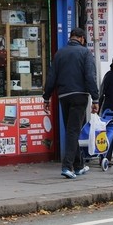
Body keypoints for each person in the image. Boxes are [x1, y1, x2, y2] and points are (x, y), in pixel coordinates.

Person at [42, 27, 99, 180]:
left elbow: (51, 77)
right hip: (80, 95)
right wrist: (96, 98)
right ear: (81, 38)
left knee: (71, 129)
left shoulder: (59, 53)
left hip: (64, 95)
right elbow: (90, 76)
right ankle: (67, 166)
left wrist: (46, 97)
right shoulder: (85, 53)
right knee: (73, 131)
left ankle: (79, 165)